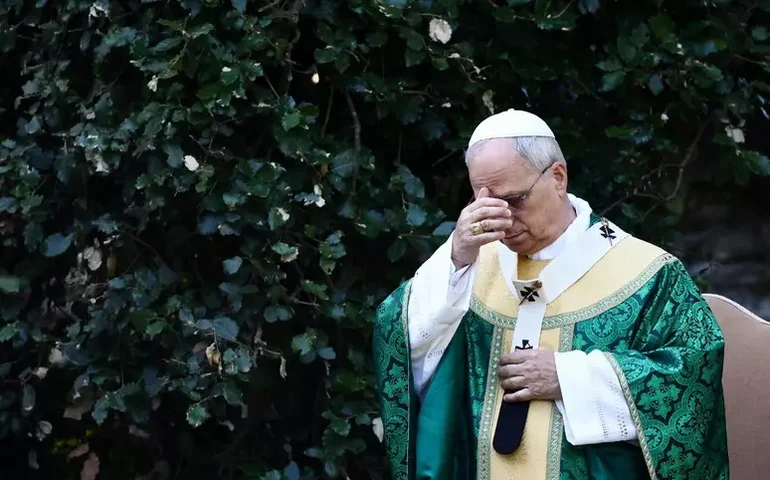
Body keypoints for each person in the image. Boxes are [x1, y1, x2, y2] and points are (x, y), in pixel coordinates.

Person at [372, 109, 729, 480]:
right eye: (485, 203)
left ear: (558, 177)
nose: (503, 220)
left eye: (514, 199)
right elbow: (399, 339)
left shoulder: (649, 274)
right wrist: (456, 259)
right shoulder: (465, 268)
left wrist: (570, 378)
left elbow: (693, 377)